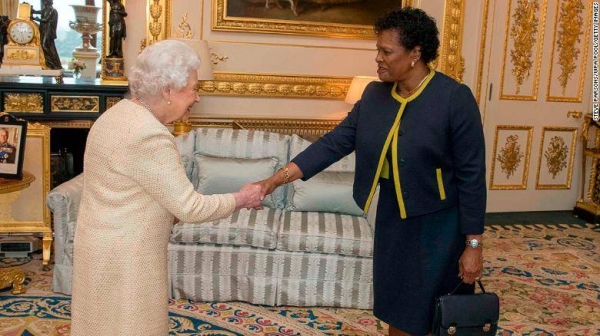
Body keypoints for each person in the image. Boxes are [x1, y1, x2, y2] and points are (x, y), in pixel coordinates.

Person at [256, 7, 486, 336]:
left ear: (415, 53)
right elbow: (333, 144)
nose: (377, 58)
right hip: (394, 217)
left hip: (440, 224)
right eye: (377, 49)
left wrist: (473, 246)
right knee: (397, 303)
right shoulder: (375, 95)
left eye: (386, 51)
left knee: (436, 308)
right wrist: (275, 180)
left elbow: (472, 175)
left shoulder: (454, 98)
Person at [70, 40, 264, 336]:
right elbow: (191, 207)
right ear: (168, 91)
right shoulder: (150, 136)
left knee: (99, 324)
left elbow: (126, 187)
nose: (197, 97)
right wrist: (242, 198)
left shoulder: (114, 116)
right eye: (194, 88)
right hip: (128, 258)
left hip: (97, 246)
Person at [31, 0, 62, 70]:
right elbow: (37, 11)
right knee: (48, 46)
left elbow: (45, 19)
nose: (43, 2)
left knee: (44, 45)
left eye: (44, 1)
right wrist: (31, 10)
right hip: (44, 30)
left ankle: (52, 62)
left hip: (48, 31)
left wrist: (35, 18)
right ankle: (51, 62)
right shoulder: (45, 9)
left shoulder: (52, 10)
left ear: (48, 2)